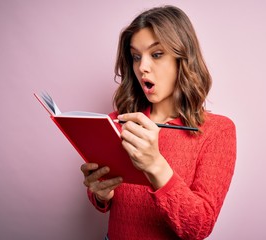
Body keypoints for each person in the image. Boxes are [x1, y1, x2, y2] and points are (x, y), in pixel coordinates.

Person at [80, 5, 236, 240]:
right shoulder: (117, 122)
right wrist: (101, 194)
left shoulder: (217, 131)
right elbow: (106, 200)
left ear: (182, 58)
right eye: (135, 56)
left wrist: (155, 165)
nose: (142, 67)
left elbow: (198, 227)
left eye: (156, 54)